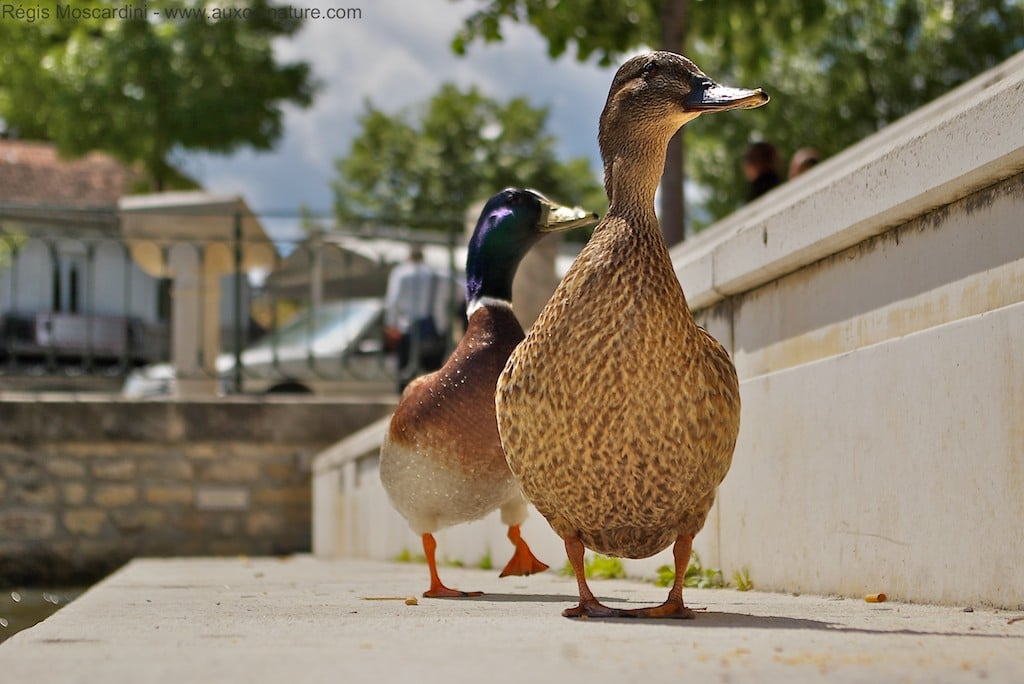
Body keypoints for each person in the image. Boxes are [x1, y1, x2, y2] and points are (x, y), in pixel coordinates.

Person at [384, 244, 451, 392]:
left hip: (406, 329)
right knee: (434, 380)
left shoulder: (401, 273)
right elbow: (445, 300)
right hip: (432, 329)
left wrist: (391, 324)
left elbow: (392, 302)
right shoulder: (434, 274)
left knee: (406, 378)